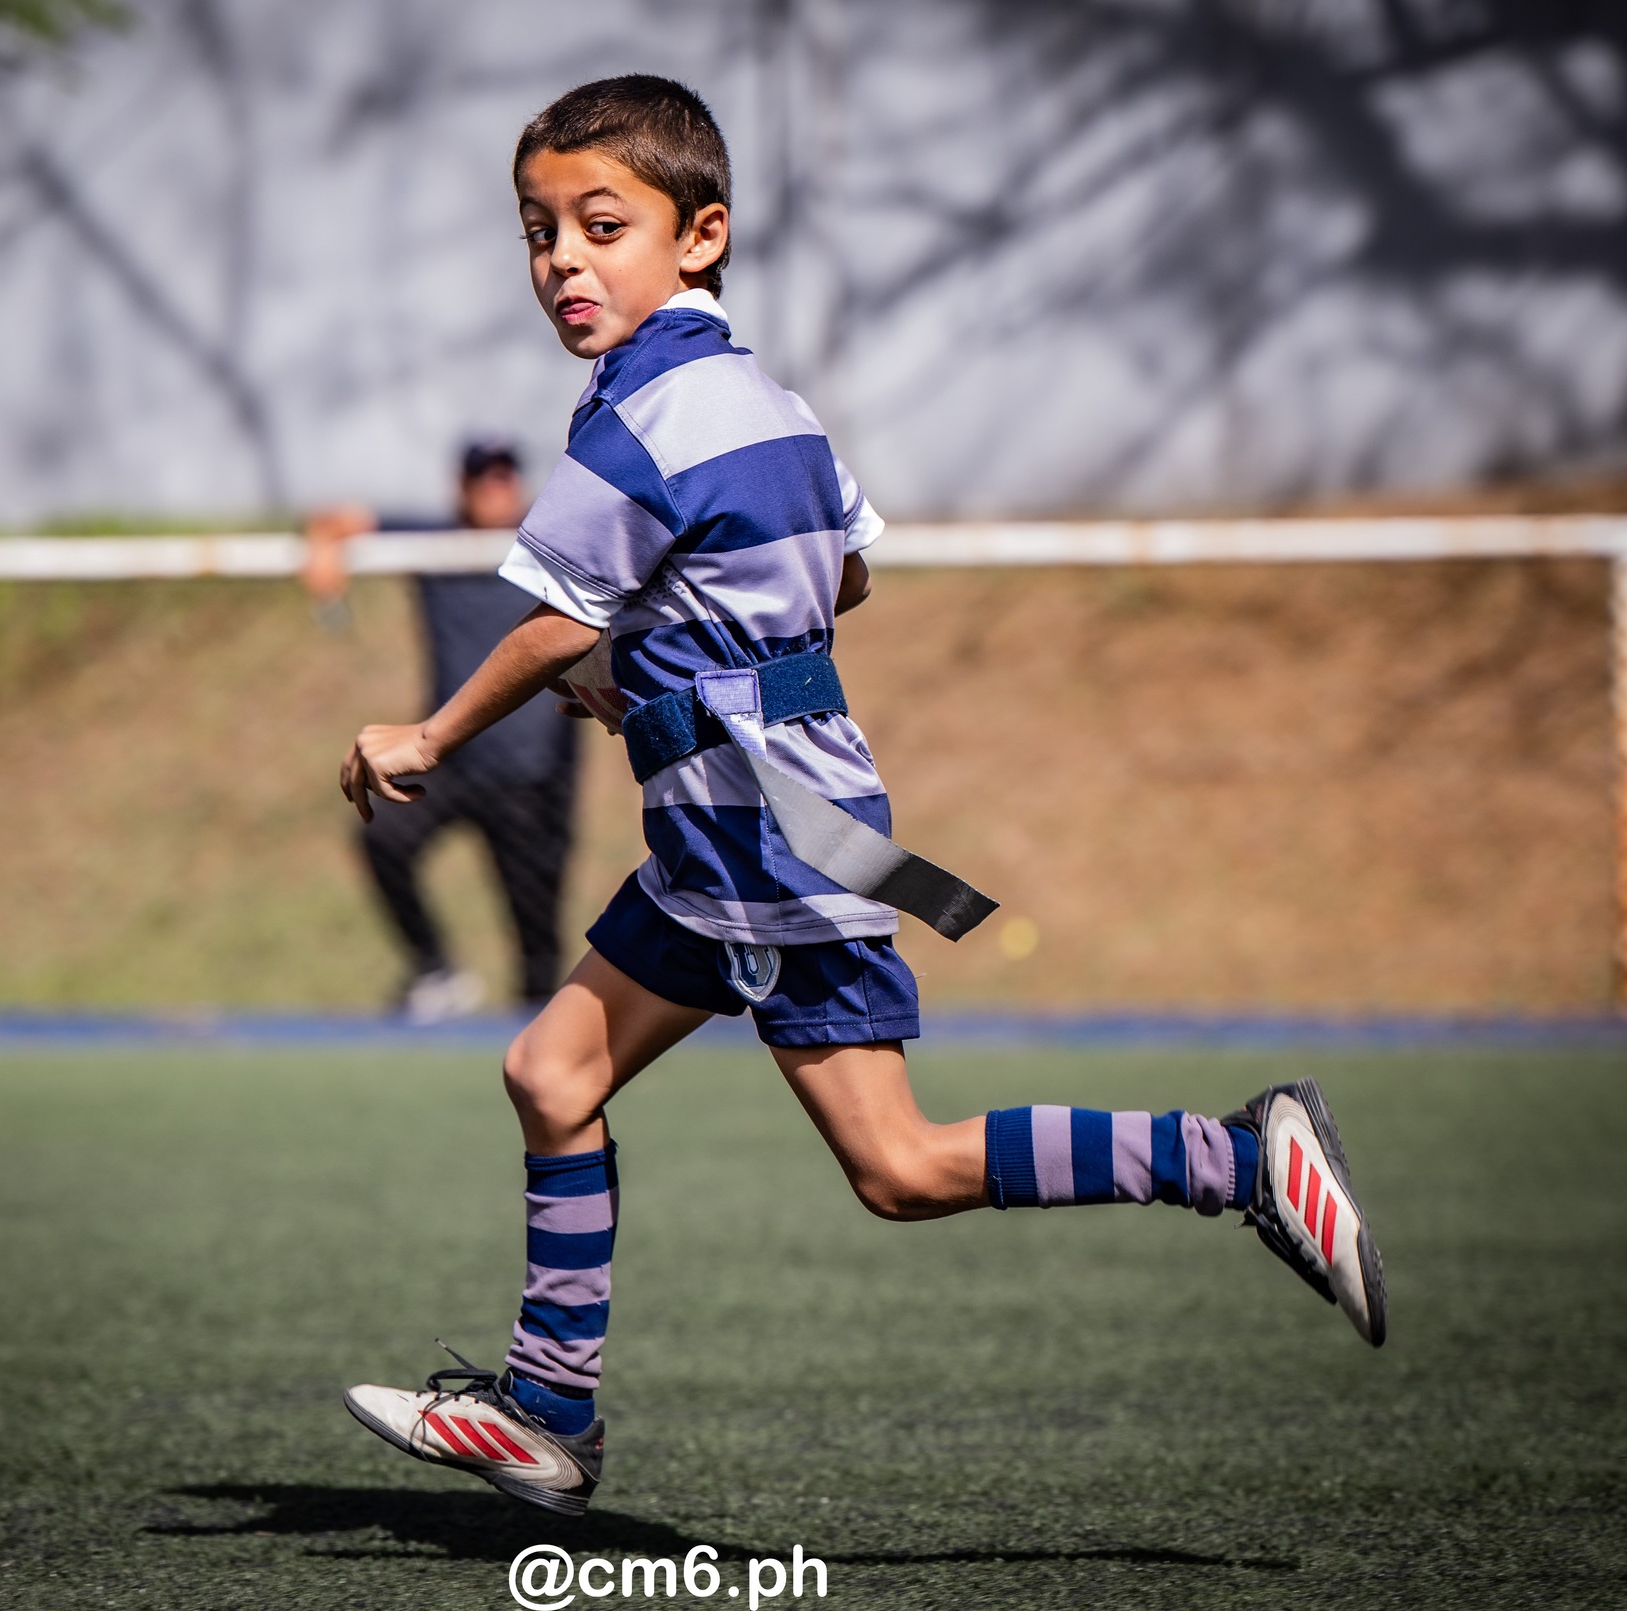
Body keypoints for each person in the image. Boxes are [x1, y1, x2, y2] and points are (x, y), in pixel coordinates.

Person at [336, 75, 1387, 1517]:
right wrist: (683, 659)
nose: (562, 260)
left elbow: (551, 618)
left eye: (599, 225)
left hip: (759, 843)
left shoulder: (636, 422)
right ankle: (544, 1408)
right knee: (550, 1071)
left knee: (897, 1164)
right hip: (761, 830)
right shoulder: (768, 400)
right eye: (539, 232)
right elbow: (846, 574)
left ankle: (1240, 1157)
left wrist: (429, 731)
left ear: (700, 235)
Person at [305, 444, 579, 1021]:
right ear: (461, 487)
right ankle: (436, 968)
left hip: (534, 777)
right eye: (481, 479)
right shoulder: (434, 540)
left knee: (537, 946)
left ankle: (534, 1043)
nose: (493, 490)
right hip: (452, 763)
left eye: (504, 478)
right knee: (382, 839)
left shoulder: (553, 540)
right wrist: (324, 548)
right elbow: (341, 520)